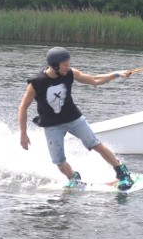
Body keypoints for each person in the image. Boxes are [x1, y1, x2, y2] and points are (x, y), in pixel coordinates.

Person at [18, 46, 135, 190]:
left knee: (95, 144)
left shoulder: (69, 73)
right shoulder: (37, 83)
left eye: (68, 64)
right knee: (59, 162)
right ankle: (73, 177)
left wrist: (116, 74)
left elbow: (94, 80)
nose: (68, 67)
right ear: (55, 65)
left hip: (73, 118)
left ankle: (122, 173)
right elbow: (23, 108)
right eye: (65, 65)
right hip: (52, 125)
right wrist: (23, 134)